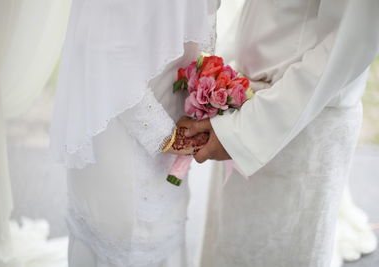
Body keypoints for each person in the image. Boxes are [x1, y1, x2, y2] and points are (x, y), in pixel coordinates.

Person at [184, 0, 379, 266]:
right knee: (234, 244)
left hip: (296, 122)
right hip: (248, 101)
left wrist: (245, 130)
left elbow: (352, 40)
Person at [50, 0, 218, 266]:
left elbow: (201, 26)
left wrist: (205, 90)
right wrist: (166, 135)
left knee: (164, 225)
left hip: (176, 109)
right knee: (128, 236)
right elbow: (107, 52)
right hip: (121, 119)